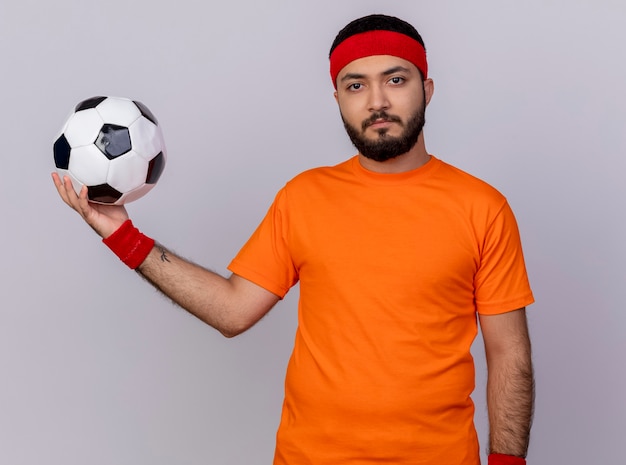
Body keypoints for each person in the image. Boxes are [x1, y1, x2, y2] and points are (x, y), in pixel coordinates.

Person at [52, 14, 535, 465]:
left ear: (426, 88)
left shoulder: (482, 207)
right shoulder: (304, 197)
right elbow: (233, 310)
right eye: (355, 85)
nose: (377, 101)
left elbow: (508, 354)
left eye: (396, 79)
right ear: (338, 98)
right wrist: (123, 235)